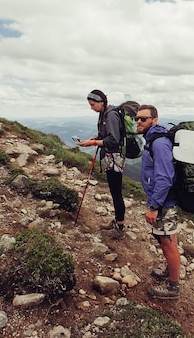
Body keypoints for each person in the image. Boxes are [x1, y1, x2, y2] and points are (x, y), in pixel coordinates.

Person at [136, 104, 181, 299]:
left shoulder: (159, 143)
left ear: (154, 120)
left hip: (164, 201)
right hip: (161, 199)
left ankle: (173, 287)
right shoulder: (152, 139)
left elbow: (164, 177)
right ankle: (169, 273)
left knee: (167, 242)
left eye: (143, 119)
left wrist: (154, 206)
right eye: (137, 118)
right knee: (168, 239)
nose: (138, 121)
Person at [77, 89, 127, 240]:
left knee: (116, 192)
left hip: (115, 158)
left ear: (101, 102)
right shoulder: (104, 113)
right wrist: (96, 138)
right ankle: (117, 222)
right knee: (114, 191)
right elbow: (107, 136)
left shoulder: (111, 115)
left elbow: (114, 140)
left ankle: (120, 227)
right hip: (110, 156)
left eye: (92, 105)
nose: (91, 108)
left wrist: (93, 142)